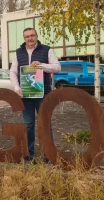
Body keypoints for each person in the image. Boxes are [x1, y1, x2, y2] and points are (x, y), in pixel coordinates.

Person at [10, 27, 61, 161]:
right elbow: (13, 72)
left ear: (36, 36)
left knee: (45, 124)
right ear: (24, 38)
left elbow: (57, 67)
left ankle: (48, 155)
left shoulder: (47, 49)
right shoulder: (18, 52)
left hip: (43, 95)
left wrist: (42, 66)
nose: (30, 38)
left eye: (32, 35)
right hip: (25, 95)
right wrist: (16, 87)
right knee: (28, 125)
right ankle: (29, 155)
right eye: (27, 36)